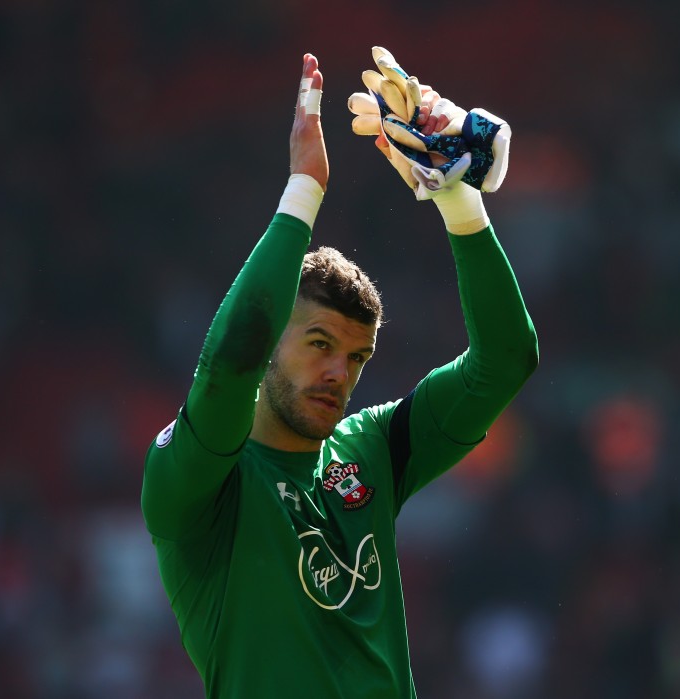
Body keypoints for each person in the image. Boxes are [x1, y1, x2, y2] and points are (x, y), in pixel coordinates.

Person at [141, 51, 538, 699]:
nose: (339, 372)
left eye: (356, 356)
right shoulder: (200, 480)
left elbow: (507, 359)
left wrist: (457, 198)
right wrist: (305, 190)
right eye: (320, 343)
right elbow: (227, 362)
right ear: (272, 342)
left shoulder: (373, 450)